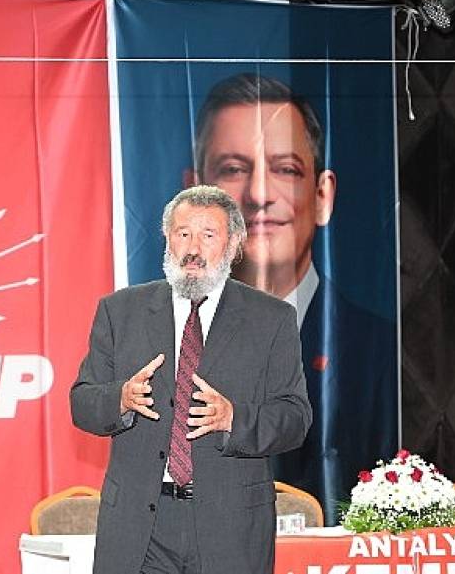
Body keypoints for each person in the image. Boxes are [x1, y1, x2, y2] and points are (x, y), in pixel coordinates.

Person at [187, 73, 397, 524]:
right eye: (233, 169)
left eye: (285, 169)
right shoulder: (158, 343)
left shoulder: (385, 354)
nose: (259, 195)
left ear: (322, 197)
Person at [71, 185, 311, 574]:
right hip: (139, 528)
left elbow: (294, 418)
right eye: (183, 233)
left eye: (208, 235)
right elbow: (82, 402)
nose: (193, 248)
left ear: (234, 244)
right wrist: (120, 399)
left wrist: (235, 418)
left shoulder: (271, 319)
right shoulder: (120, 311)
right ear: (168, 239)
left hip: (231, 527)